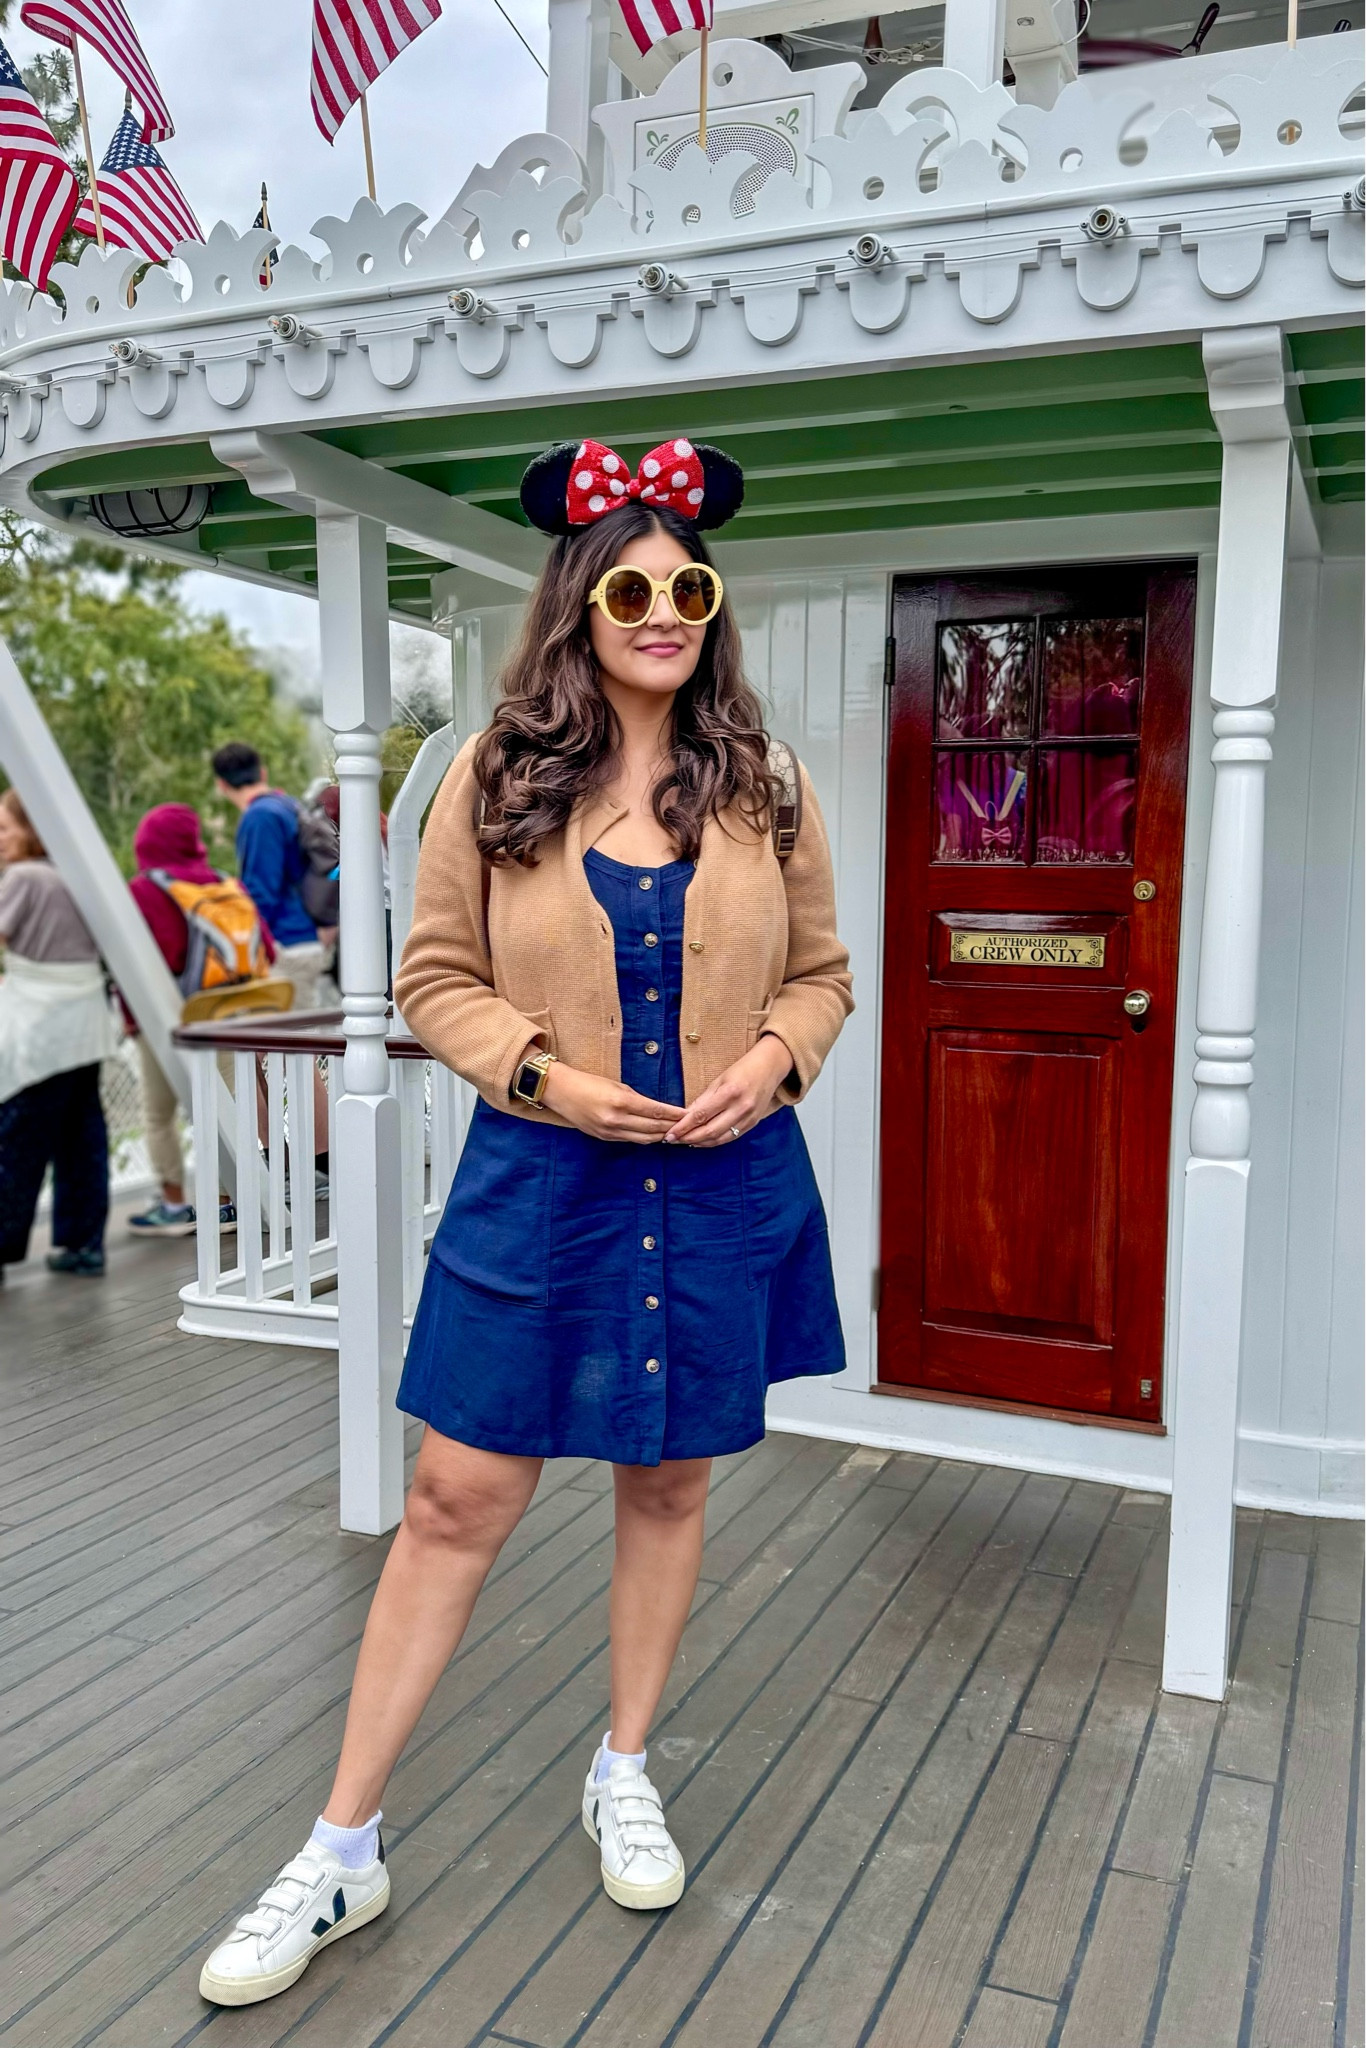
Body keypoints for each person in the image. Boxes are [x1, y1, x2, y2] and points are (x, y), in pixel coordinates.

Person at [197, 434, 853, 2009]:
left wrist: (772, 1061)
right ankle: (340, 1848)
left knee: (671, 1479)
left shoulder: (765, 783)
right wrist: (547, 1074)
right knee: (452, 1497)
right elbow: (429, 980)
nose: (663, 609)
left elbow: (821, 974)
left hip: (716, 1181)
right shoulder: (494, 774)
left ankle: (622, 1762)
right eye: (630, 583)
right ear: (581, 597)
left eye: (687, 584)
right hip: (538, 1178)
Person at [124, 802, 272, 1235]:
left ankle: (172, 1206)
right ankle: (229, 1202)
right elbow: (268, 950)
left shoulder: (146, 889)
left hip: (174, 1016)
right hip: (228, 1013)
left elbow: (144, 962)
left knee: (159, 1113)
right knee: (221, 1110)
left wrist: (135, 1020)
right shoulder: (225, 884)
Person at [0, 788, 117, 1279]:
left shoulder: (24, 877)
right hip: (86, 1024)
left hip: (41, 1028)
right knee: (81, 1137)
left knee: (16, 1140)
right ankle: (81, 1242)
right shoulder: (81, 877)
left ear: (31, 829)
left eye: (5, 828)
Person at [211, 743, 332, 1010]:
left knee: (285, 1044)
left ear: (222, 785)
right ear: (262, 773)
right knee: (301, 1040)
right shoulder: (288, 805)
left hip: (284, 946)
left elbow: (261, 890)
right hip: (307, 937)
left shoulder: (260, 817)